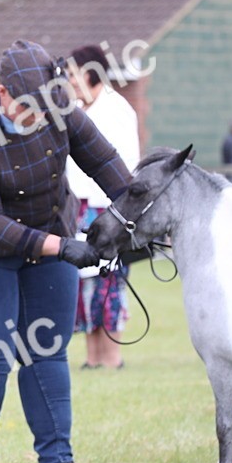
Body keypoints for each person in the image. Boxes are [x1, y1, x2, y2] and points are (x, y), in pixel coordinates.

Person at [0, 39, 131, 463]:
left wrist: (131, 210)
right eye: (29, 109)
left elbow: (104, 161)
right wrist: (61, 247)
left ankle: (57, 460)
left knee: (48, 349)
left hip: (50, 232)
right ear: (3, 92)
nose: (39, 117)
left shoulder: (59, 106)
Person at [65, 44, 141, 371]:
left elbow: (126, 165)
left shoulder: (116, 109)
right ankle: (92, 356)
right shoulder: (75, 108)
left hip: (107, 209)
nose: (68, 80)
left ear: (89, 73)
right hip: (78, 208)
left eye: (72, 74)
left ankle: (112, 357)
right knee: (85, 282)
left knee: (109, 280)